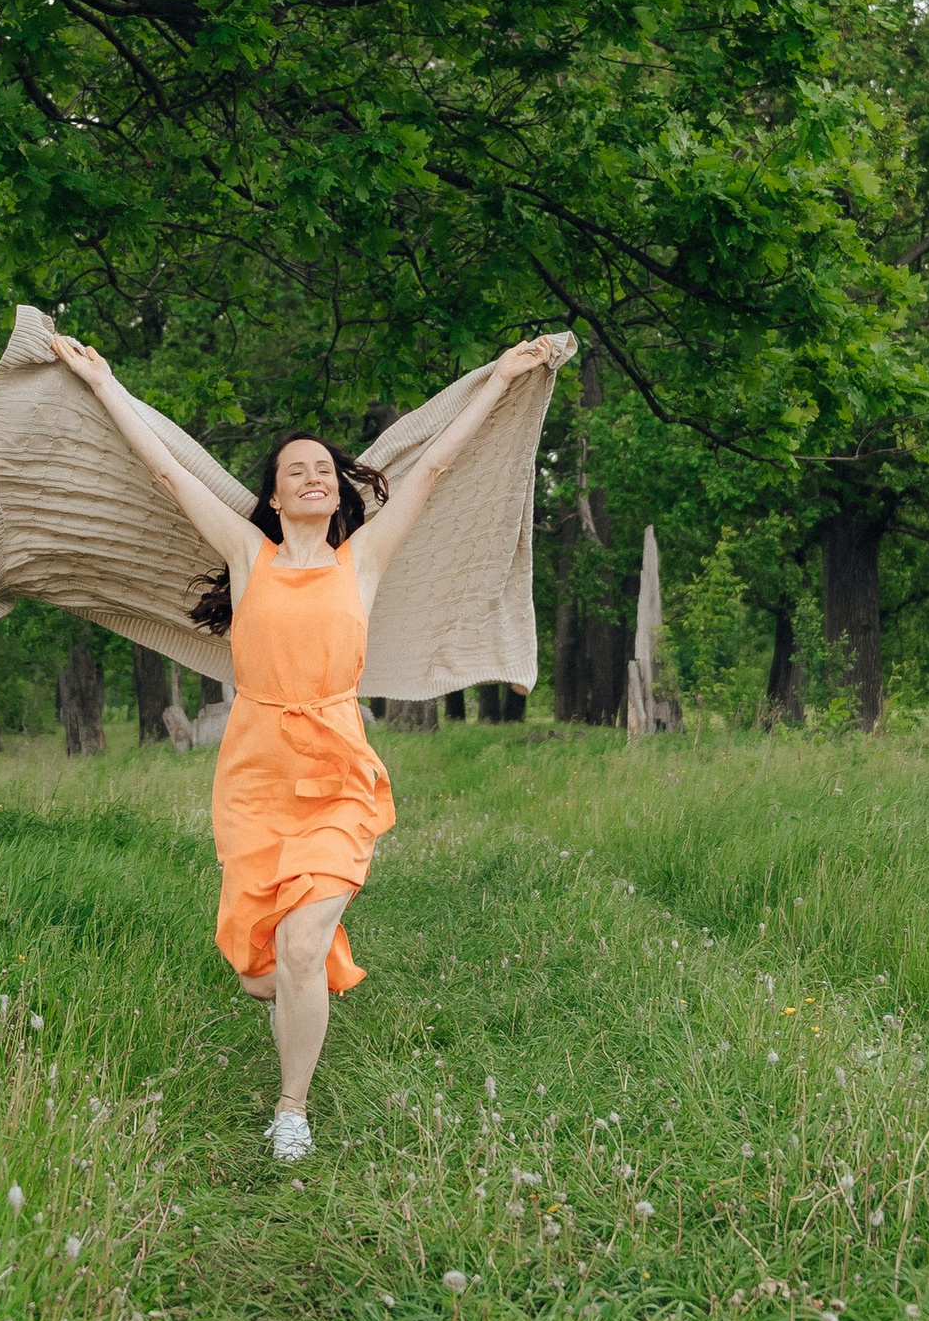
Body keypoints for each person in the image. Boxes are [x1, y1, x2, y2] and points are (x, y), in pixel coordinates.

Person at [45, 334, 567, 1160]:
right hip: (255, 776)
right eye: (297, 470)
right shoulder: (246, 554)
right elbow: (170, 474)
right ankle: (305, 978)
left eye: (325, 468)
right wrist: (105, 383)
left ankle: (292, 1109)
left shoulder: (363, 560)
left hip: (336, 772)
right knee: (264, 967)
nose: (315, 477)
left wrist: (500, 379)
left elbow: (433, 467)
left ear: (338, 490)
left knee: (298, 944)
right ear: (276, 495)